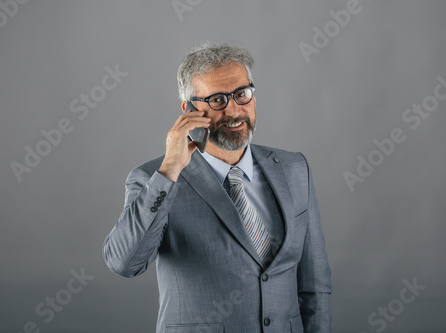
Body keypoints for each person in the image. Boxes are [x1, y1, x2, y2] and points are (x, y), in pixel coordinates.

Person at [103, 41, 332, 333]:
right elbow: (124, 263)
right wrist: (170, 169)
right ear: (189, 110)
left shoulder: (295, 169)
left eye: (241, 94)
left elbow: (314, 286)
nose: (234, 110)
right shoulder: (154, 178)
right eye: (217, 100)